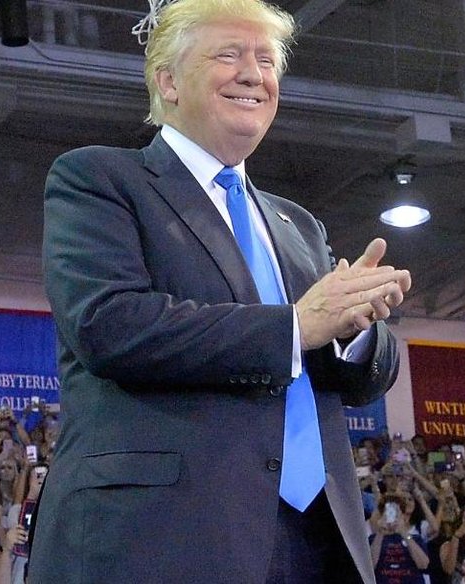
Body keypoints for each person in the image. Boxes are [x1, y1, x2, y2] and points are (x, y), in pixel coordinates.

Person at [31, 0, 410, 582]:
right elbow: (109, 325)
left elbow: (360, 379)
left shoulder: (299, 225)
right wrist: (297, 326)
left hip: (314, 540)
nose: (253, 74)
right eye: (228, 55)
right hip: (163, 537)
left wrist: (355, 328)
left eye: (265, 59)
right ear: (168, 81)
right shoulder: (100, 179)